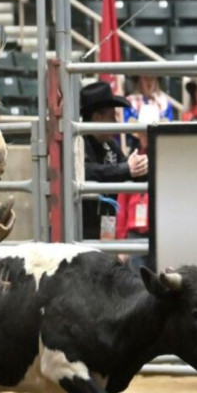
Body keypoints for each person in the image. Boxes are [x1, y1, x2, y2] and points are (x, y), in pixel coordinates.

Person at [80, 81, 148, 240]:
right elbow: (86, 171)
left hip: (104, 225)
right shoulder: (78, 141)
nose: (116, 124)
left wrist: (141, 167)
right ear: (97, 118)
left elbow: (128, 170)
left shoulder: (109, 144)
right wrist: (126, 169)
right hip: (81, 228)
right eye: (112, 117)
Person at [115, 128, 151, 270]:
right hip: (136, 233)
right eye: (143, 133)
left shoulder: (134, 160)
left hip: (154, 231)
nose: (145, 136)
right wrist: (122, 242)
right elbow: (123, 201)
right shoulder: (134, 159)